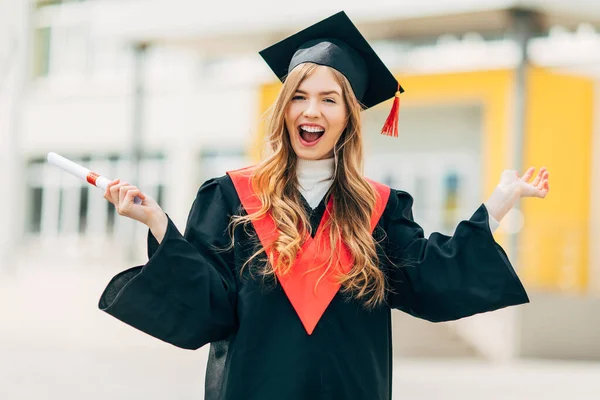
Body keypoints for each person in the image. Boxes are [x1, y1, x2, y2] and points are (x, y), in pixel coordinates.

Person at [98, 11, 550, 400]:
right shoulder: (232, 197)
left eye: (328, 99)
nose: (310, 110)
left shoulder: (381, 209)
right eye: (299, 96)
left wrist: (495, 207)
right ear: (283, 109)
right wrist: (157, 222)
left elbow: (429, 276)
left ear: (348, 117)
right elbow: (208, 307)